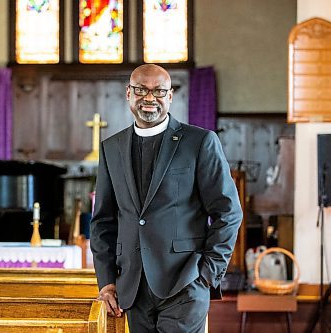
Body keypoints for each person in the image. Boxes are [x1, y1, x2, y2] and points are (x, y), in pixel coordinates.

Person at [90, 64, 243, 332]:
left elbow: (228, 212)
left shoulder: (199, 142)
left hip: (184, 283)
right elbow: (103, 220)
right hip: (133, 288)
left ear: (170, 96)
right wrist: (106, 281)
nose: (149, 98)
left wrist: (207, 274)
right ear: (128, 93)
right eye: (140, 90)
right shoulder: (111, 148)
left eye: (158, 91)